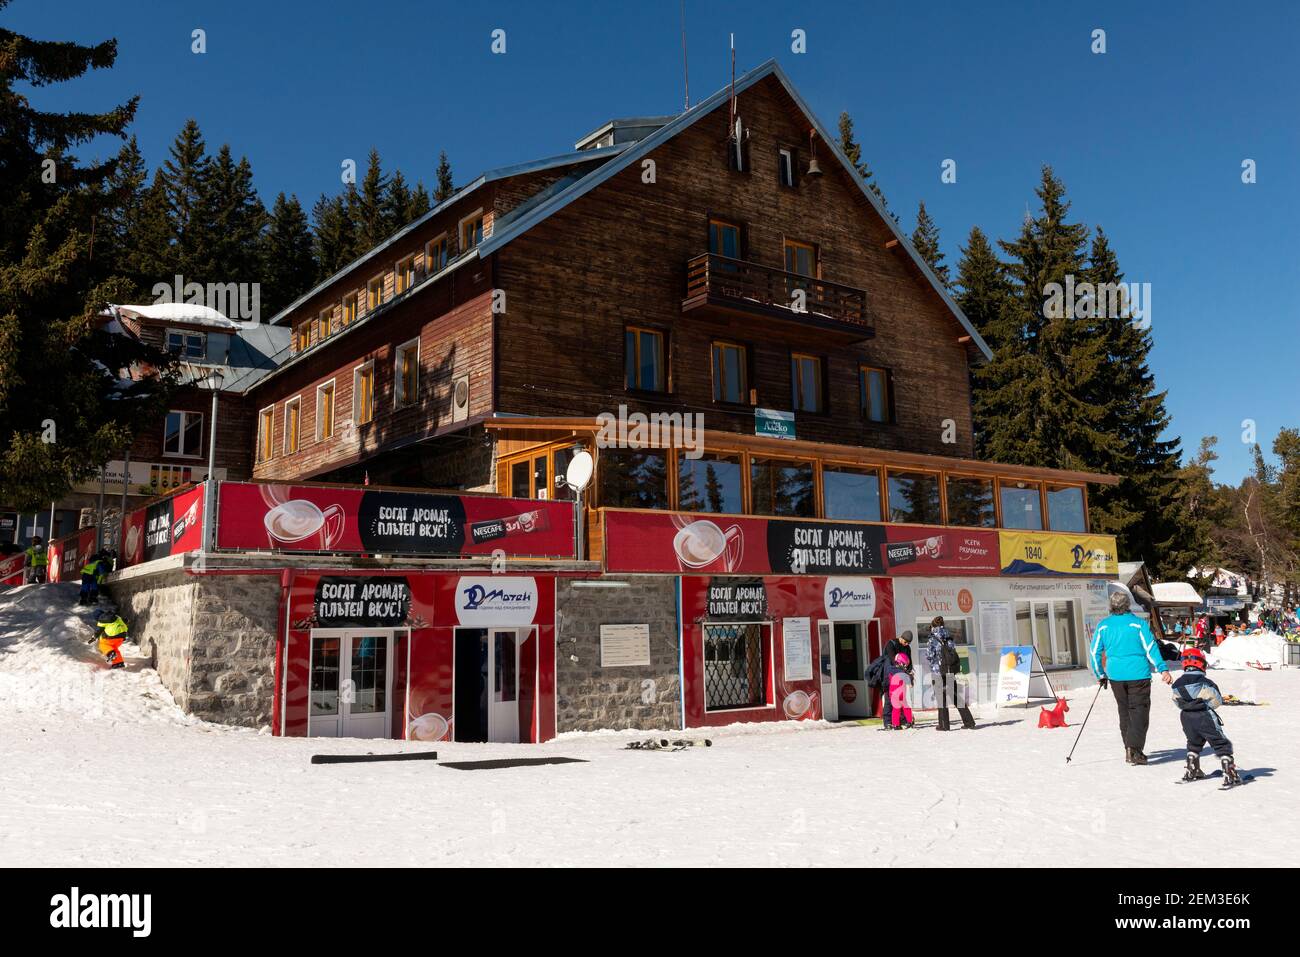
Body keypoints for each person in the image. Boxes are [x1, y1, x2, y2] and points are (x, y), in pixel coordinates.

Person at [1088, 591, 1172, 765]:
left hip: (1116, 676)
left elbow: (1094, 651)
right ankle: (1134, 750)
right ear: (1127, 605)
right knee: (1139, 711)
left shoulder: (1103, 626)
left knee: (1124, 711)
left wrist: (1100, 674)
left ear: (1111, 606)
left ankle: (1129, 748)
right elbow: (1151, 648)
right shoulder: (1138, 624)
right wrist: (1162, 668)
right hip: (1138, 674)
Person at [1173, 647, 1242, 787]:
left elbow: (1176, 700)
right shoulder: (1204, 682)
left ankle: (1192, 769)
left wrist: (1189, 706)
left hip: (1186, 717)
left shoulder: (1177, 684)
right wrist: (1204, 705)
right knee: (1219, 741)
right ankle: (1229, 772)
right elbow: (1217, 700)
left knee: (1193, 742)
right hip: (1204, 715)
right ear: (1201, 663)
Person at [925, 616, 975, 731]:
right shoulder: (949, 637)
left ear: (933, 626)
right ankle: (969, 722)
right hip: (949, 670)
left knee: (941, 699)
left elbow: (929, 656)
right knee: (956, 697)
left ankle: (944, 725)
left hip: (938, 672)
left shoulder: (932, 639)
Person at [874, 630, 914, 730]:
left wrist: (909, 674)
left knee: (901, 699)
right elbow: (893, 659)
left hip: (900, 677)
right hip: (888, 676)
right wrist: (900, 668)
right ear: (901, 638)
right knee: (889, 699)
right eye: (905, 642)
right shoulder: (891, 644)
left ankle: (902, 720)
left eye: (908, 643)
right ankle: (888, 722)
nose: (906, 644)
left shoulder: (907, 648)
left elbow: (909, 662)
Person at [888, 653, 914, 729]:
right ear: (901, 663)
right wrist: (910, 677)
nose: (905, 667)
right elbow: (909, 683)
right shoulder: (902, 672)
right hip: (900, 693)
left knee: (895, 709)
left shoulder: (891, 670)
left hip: (892, 692)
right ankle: (909, 721)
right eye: (905, 665)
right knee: (906, 707)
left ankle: (896, 724)